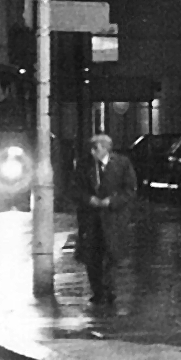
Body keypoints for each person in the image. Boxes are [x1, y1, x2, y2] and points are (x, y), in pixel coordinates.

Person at [70, 132, 133, 309]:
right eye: (91, 148)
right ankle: (97, 292)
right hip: (91, 219)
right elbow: (75, 189)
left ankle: (110, 290)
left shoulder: (122, 164)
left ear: (106, 149)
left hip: (112, 219)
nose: (92, 152)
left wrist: (111, 202)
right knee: (92, 256)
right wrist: (89, 199)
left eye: (96, 148)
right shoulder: (84, 166)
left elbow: (129, 190)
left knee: (112, 255)